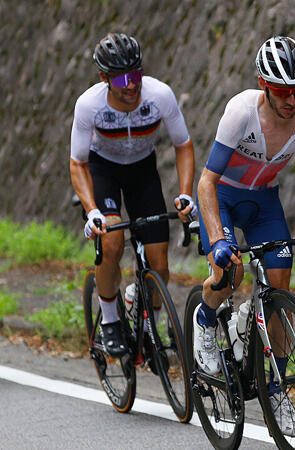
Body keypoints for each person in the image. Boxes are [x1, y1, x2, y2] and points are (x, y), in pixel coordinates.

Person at [194, 36, 295, 436]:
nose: (291, 100)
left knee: (280, 296)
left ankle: (275, 390)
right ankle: (205, 320)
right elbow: (207, 181)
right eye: (281, 91)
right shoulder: (240, 112)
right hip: (223, 196)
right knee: (230, 274)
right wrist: (220, 239)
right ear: (263, 84)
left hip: (264, 202)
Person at [70, 33, 196, 357]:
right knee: (111, 242)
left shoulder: (159, 96)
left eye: (136, 74)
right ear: (104, 78)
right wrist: (91, 209)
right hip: (103, 170)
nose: (132, 85)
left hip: (142, 170)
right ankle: (110, 321)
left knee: (159, 262)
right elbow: (78, 162)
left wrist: (184, 193)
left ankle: (148, 328)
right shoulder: (89, 105)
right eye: (123, 78)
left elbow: (183, 145)